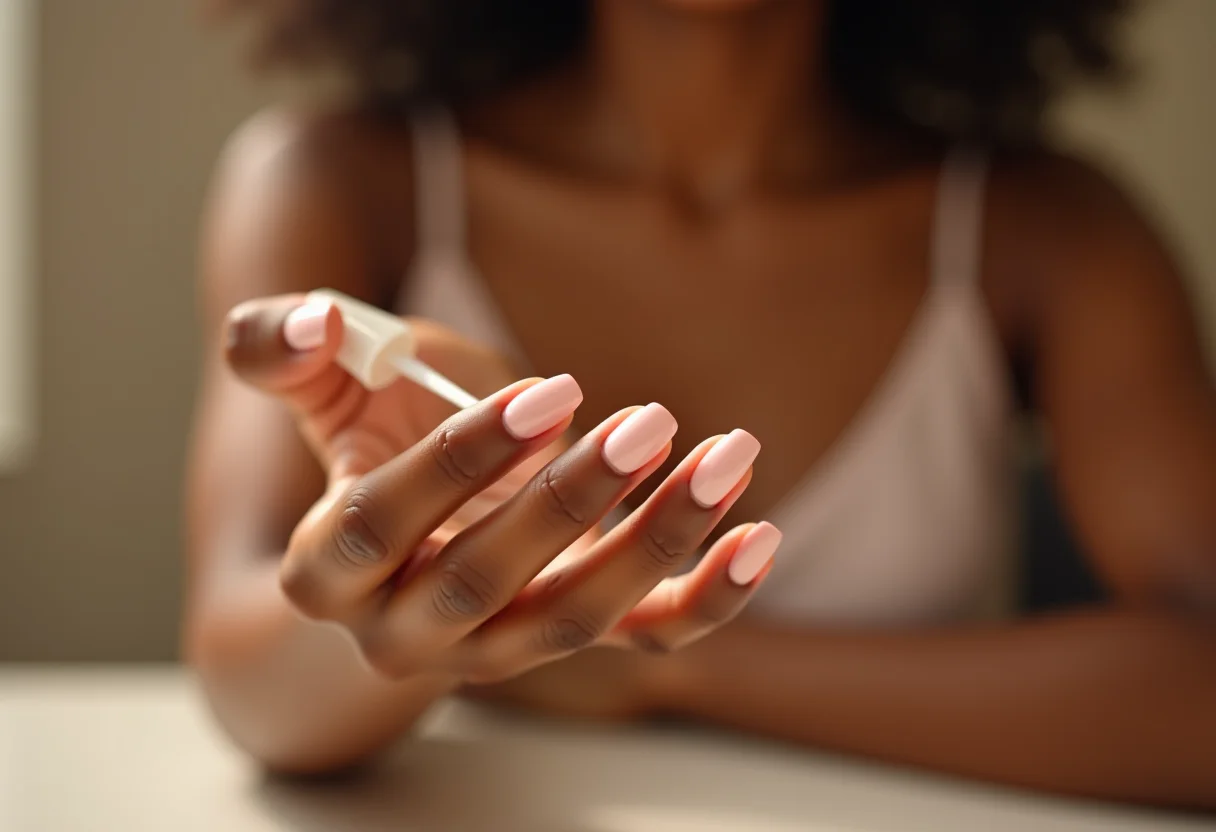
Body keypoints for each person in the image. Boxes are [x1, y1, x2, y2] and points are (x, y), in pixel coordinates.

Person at [187, 0, 1216, 808]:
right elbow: (252, 692)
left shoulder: (1046, 230)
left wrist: (666, 664)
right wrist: (398, 580)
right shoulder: (344, 182)